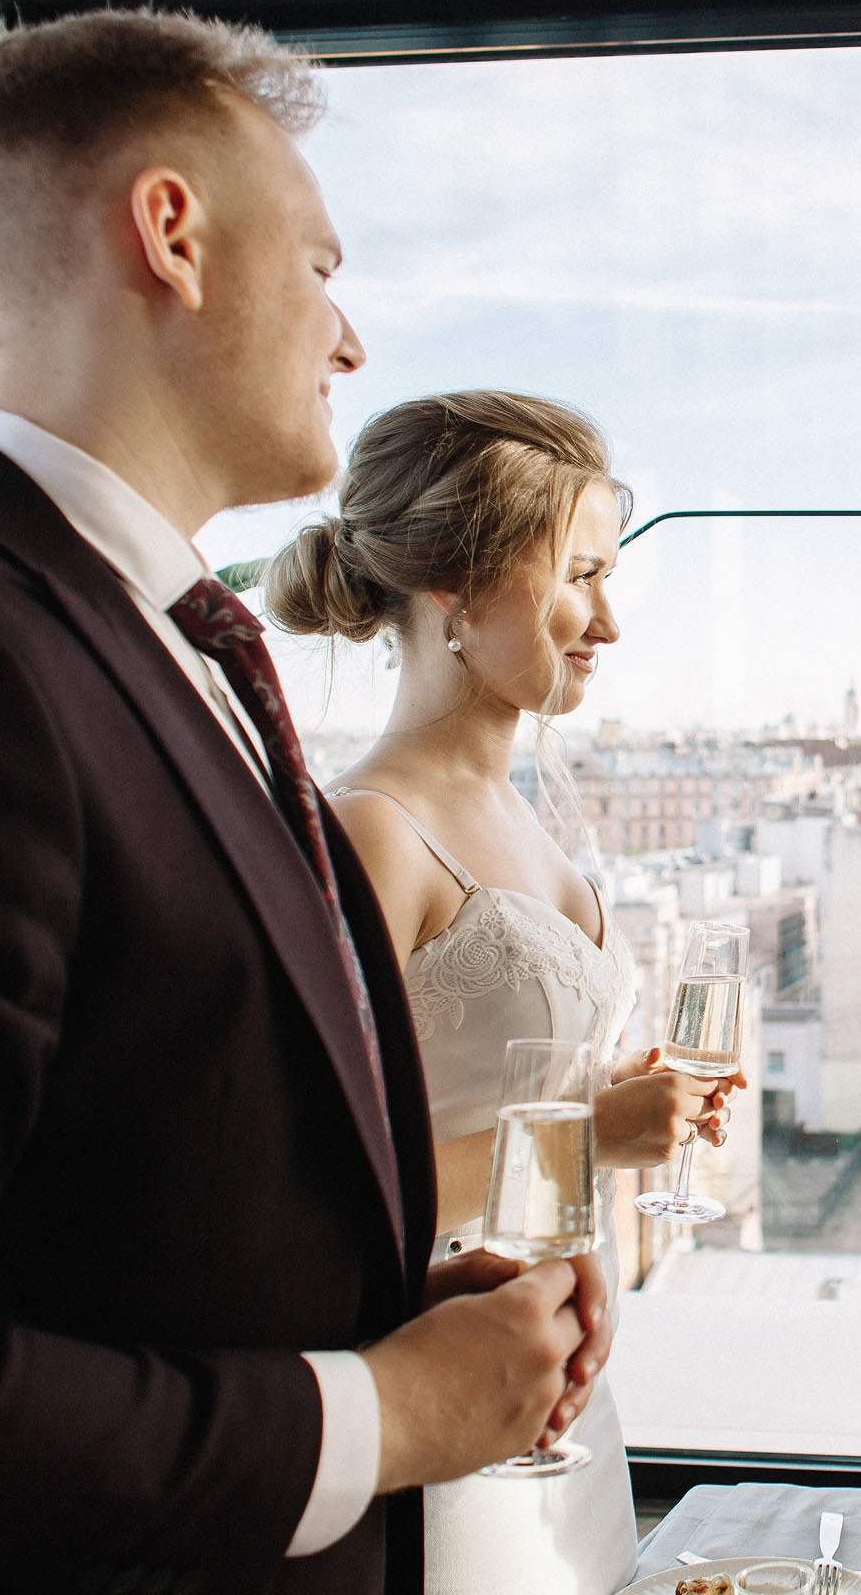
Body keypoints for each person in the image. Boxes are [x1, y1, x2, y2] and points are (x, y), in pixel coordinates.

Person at [0, 13, 604, 1592]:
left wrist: (394, 1295)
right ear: (172, 235)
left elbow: (127, 1198)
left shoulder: (155, 647)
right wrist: (387, 1413)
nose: (351, 337)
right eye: (320, 266)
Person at [265, 391, 738, 1595]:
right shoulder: (374, 831)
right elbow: (319, 1183)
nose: (611, 623)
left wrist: (614, 1108)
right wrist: (598, 1136)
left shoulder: (531, 813)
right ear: (455, 591)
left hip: (560, 1388)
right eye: (580, 575)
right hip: (442, 1380)